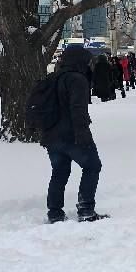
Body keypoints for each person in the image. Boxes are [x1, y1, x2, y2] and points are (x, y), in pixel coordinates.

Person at [42, 44, 106, 223]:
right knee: (93, 166)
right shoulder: (77, 79)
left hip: (51, 135)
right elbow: (78, 109)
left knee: (59, 171)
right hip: (71, 134)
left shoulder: (54, 77)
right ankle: (86, 209)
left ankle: (54, 212)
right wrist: (83, 134)